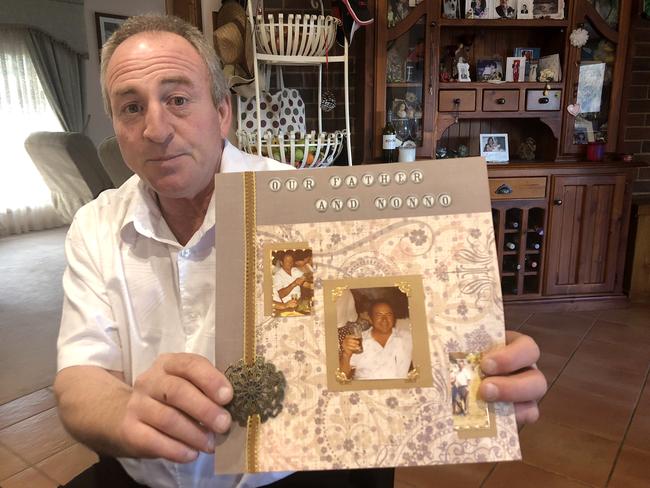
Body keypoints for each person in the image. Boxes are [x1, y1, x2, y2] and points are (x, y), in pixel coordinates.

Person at [53, 13, 546, 488]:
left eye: (178, 99)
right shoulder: (96, 226)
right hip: (143, 475)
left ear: (222, 113)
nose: (155, 130)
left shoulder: (305, 207)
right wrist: (123, 412)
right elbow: (81, 377)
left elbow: (395, 345)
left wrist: (478, 391)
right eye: (131, 107)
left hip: (286, 476)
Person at [339, 301, 413, 380]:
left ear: (393, 318)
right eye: (378, 315)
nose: (384, 319)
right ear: (370, 319)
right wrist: (346, 354)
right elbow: (342, 377)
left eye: (389, 314)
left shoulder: (407, 337)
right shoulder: (357, 341)